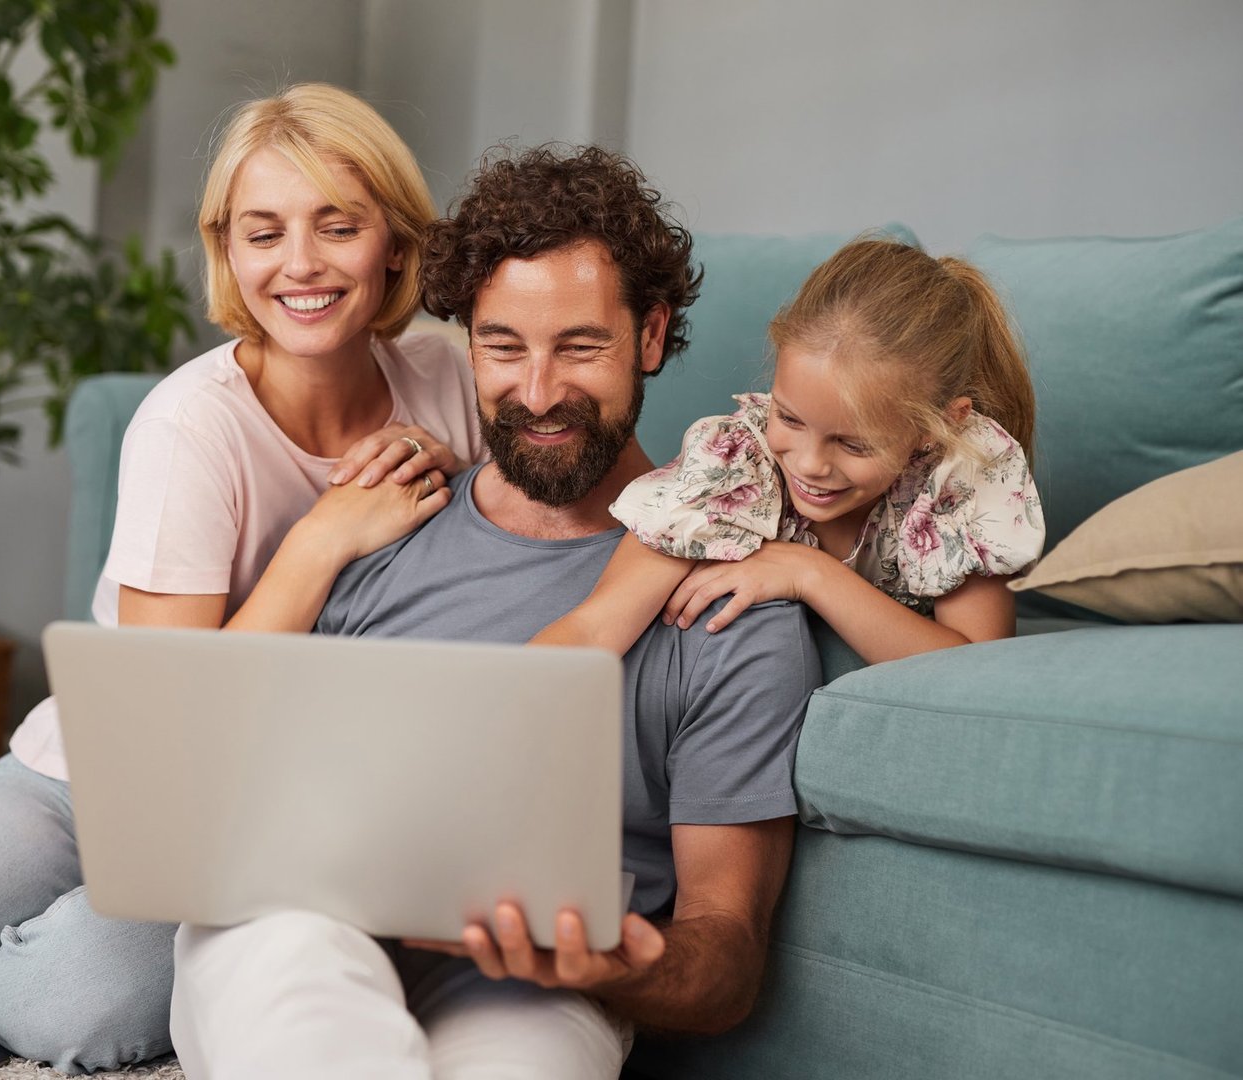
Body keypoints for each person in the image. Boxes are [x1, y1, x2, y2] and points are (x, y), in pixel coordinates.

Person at [0, 83, 485, 1073]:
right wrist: (321, 540)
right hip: (100, 779)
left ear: (395, 241)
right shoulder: (191, 427)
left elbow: (610, 488)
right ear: (227, 249)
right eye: (263, 232)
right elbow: (166, 735)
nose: (300, 264)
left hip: (282, 819)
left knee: (69, 1017)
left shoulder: (452, 377)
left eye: (337, 226)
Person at [167, 145, 820, 1080]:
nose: (539, 391)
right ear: (465, 341)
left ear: (650, 335)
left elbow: (725, 958)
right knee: (303, 1000)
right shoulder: (380, 530)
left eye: (581, 347)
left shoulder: (731, 603)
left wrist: (614, 963)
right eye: (503, 346)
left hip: (538, 980)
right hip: (304, 926)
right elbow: (213, 783)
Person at [536, 237, 1045, 666]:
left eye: (853, 443)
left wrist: (809, 573)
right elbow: (595, 629)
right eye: (790, 418)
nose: (808, 464)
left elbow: (973, 669)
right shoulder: (737, 465)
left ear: (938, 427)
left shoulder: (961, 472)